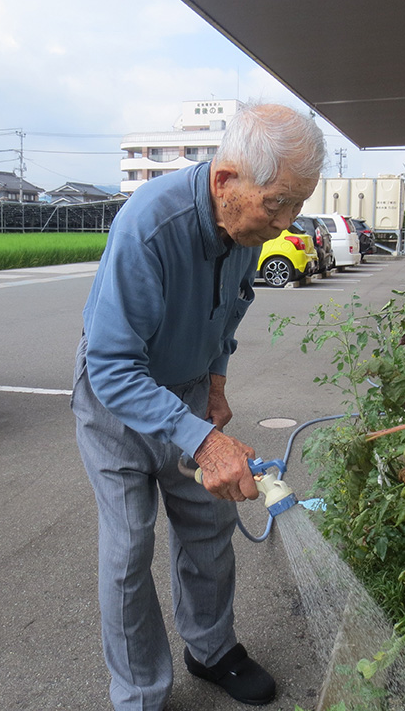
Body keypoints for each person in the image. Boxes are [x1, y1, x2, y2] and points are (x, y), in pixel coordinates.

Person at [71, 103, 326, 710]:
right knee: (129, 546)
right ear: (225, 180)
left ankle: (210, 649)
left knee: (209, 527)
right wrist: (206, 442)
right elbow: (111, 365)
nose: (287, 222)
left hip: (186, 392)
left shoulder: (246, 229)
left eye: (297, 205)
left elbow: (227, 314)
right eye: (278, 203)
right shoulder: (148, 226)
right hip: (118, 404)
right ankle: (139, 693)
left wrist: (214, 385)